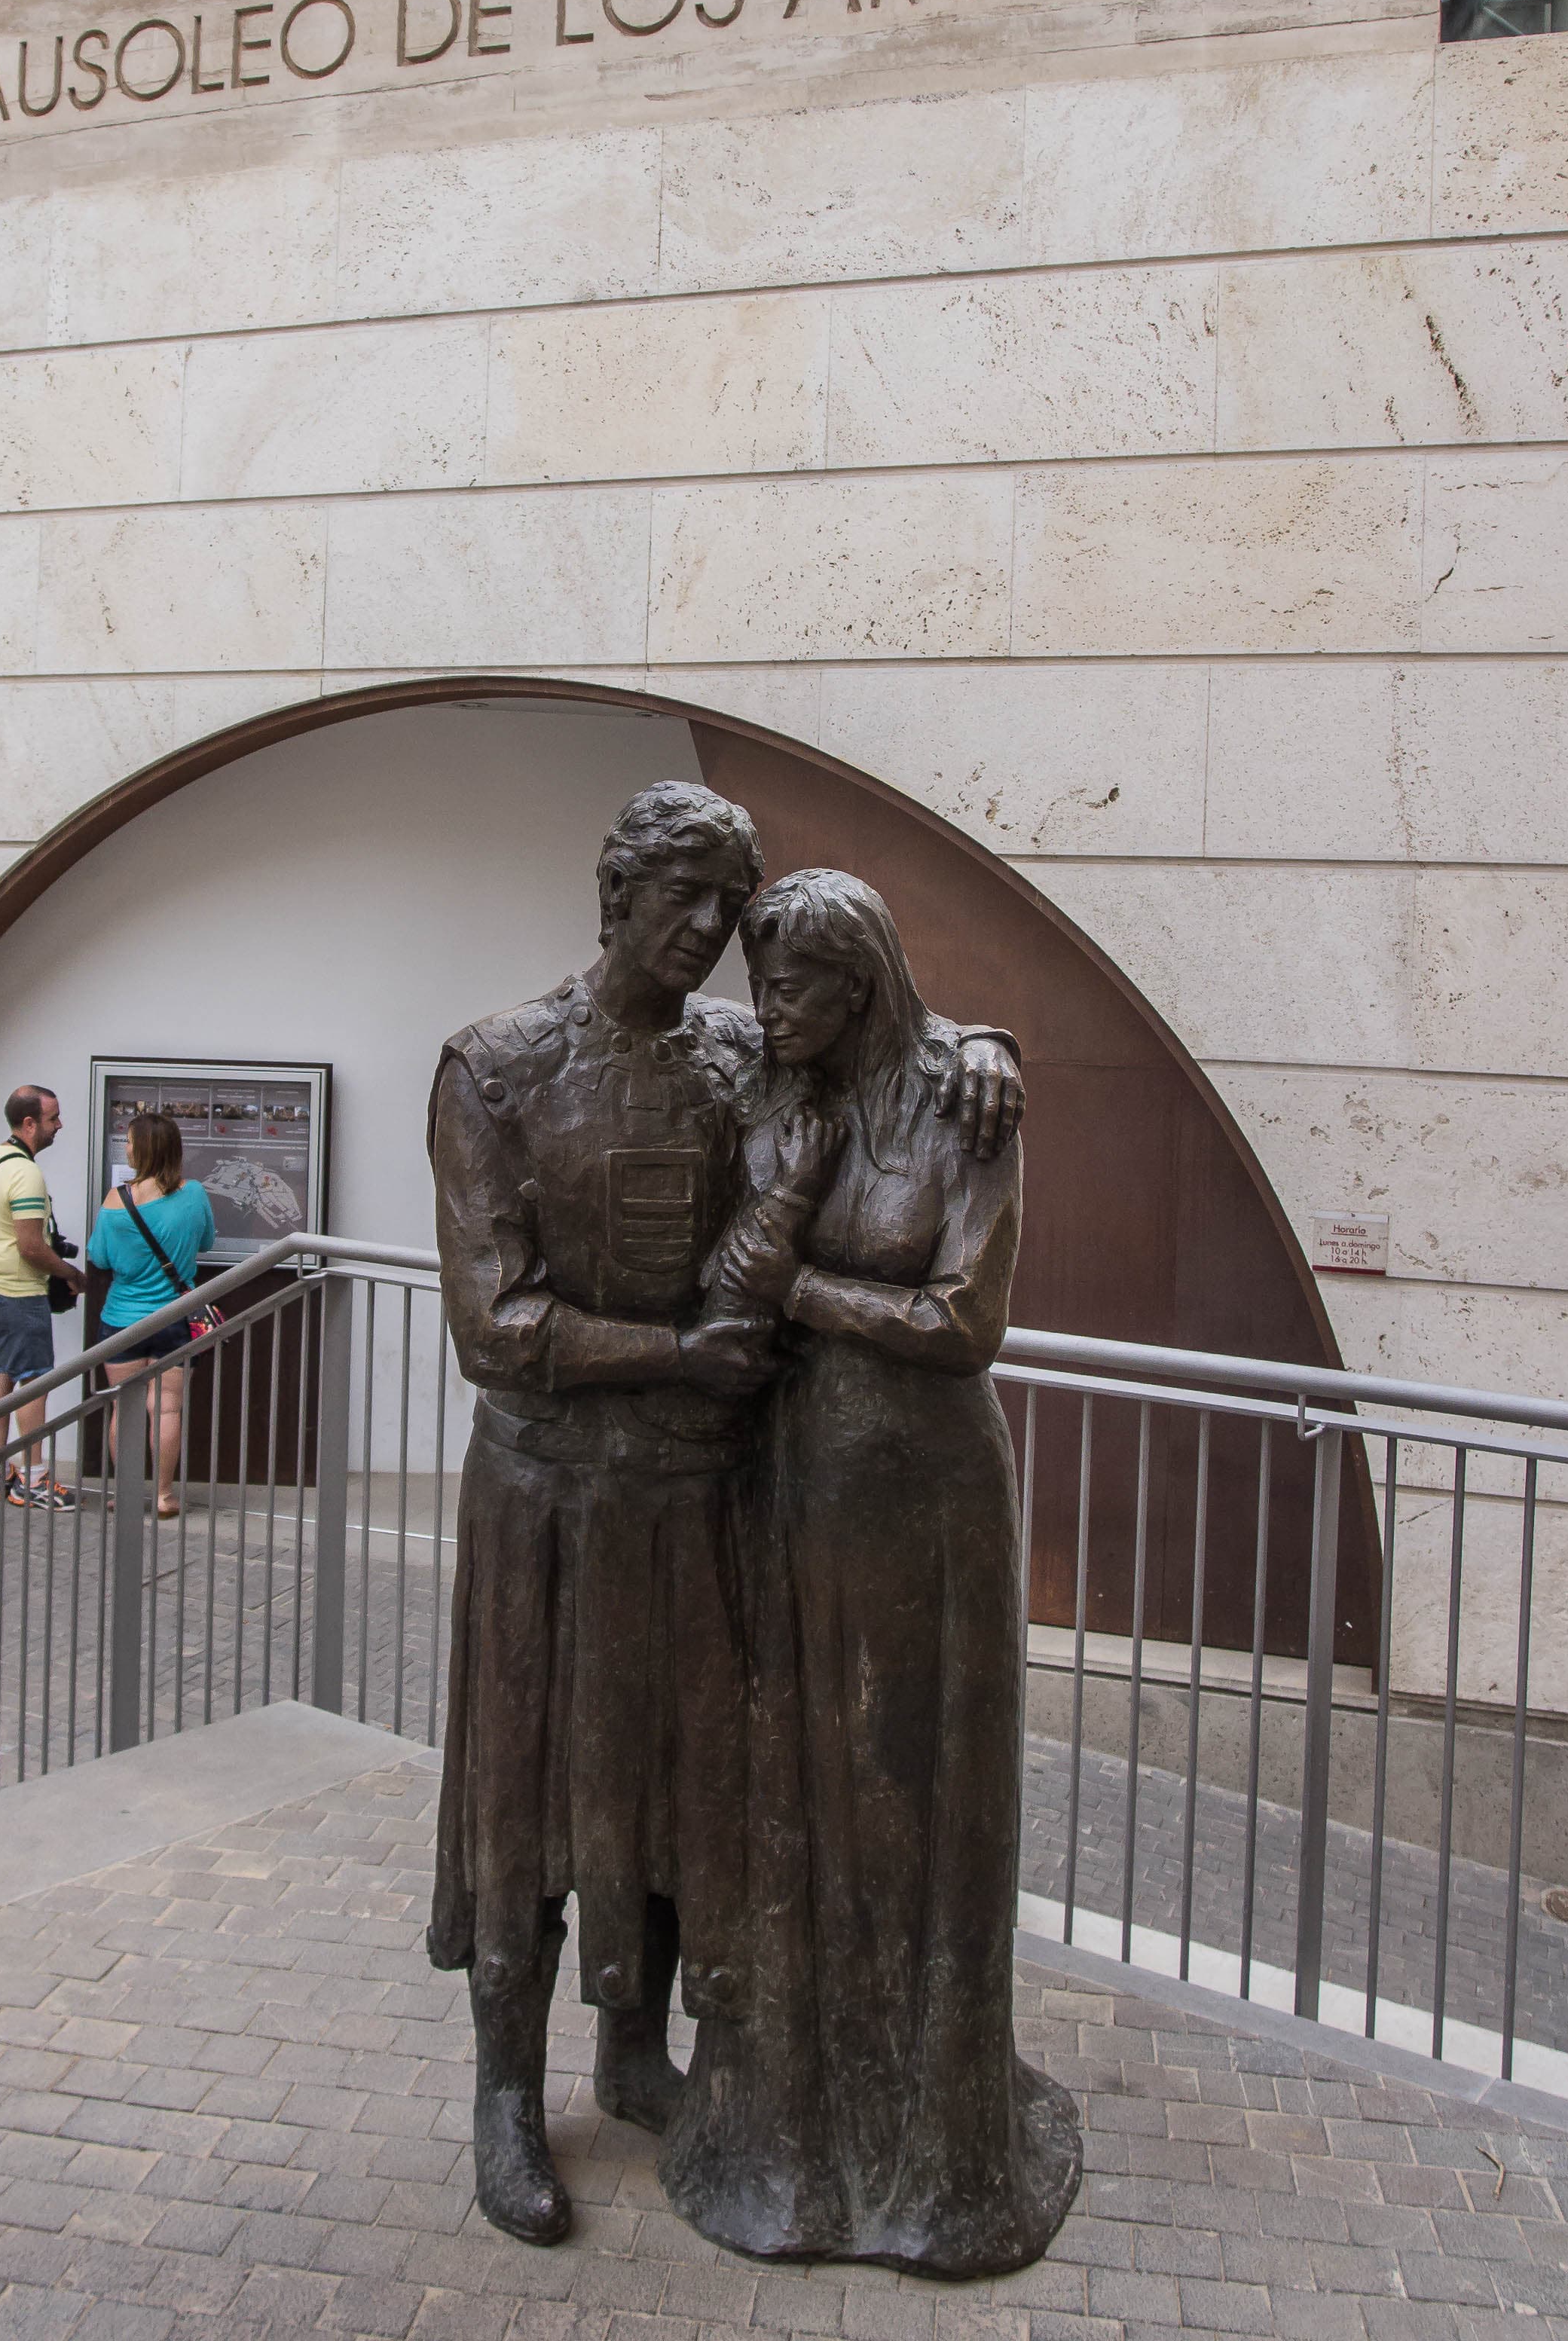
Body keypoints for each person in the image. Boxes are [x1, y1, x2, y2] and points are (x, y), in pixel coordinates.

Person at [427, 784, 1025, 2248]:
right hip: (549, 1495)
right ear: (615, 890)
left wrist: (988, 1051)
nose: (708, 929)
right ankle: (506, 2099)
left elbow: (891, 1034)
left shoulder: (745, 1055)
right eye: (682, 895)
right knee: (526, 1790)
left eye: (728, 904)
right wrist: (679, 1353)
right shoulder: (495, 1068)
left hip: (705, 1496)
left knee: (692, 1787)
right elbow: (494, 1322)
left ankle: (638, 2055)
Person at [660, 869, 1082, 2278]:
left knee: (916, 1794)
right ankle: (790, 2137)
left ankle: (936, 2155)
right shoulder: (776, 1086)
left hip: (928, 1495)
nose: (766, 1006)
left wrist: (799, 1293)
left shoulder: (964, 1103)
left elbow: (964, 1320)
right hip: (793, 1479)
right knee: (796, 1790)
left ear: (862, 985)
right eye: (762, 984)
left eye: (793, 987)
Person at [85, 1110, 218, 1522]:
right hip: (176, 1319)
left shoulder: (115, 1201)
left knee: (123, 1409)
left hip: (122, 1320)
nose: (125, 1147)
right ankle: (163, 1496)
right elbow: (207, 1242)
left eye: (128, 1141)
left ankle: (125, 1493)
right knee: (167, 1409)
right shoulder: (193, 1194)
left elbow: (98, 1257)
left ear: (141, 1150)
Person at [0, 1084, 85, 1509]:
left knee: (0, 1373)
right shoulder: (26, 1173)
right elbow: (31, 1247)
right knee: (35, 1383)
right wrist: (71, 1274)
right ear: (30, 1123)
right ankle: (34, 1480)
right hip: (15, 1293)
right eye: (54, 1118)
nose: (60, 1125)